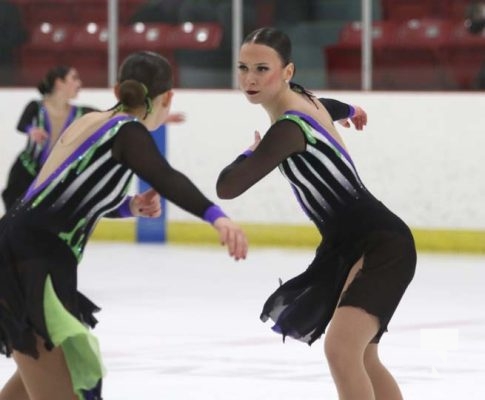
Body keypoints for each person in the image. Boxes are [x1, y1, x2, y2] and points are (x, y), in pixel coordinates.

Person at [0, 51, 248, 400]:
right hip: (32, 262)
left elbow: (59, 197)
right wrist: (215, 216)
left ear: (117, 89)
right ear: (168, 97)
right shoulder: (128, 132)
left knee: (33, 386)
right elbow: (164, 176)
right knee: (69, 388)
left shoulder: (89, 123)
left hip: (19, 251)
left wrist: (129, 206)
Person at [216, 27, 416, 400]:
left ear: (287, 72)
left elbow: (228, 186)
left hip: (381, 244)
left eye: (262, 69)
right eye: (243, 68)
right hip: (356, 243)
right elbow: (328, 105)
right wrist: (351, 110)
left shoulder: (289, 129)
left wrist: (249, 152)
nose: (250, 79)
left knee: (342, 351)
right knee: (364, 356)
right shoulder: (304, 98)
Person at [1, 65, 97, 212]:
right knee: (13, 218)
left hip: (56, 180)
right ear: (59, 83)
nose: (79, 83)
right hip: (25, 173)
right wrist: (31, 130)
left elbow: (108, 118)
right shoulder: (35, 107)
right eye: (74, 78)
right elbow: (21, 125)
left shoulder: (82, 112)